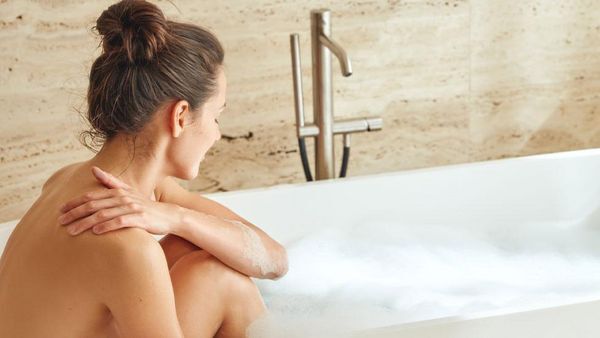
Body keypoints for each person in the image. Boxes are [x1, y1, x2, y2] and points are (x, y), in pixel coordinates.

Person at [0, 0, 288, 337]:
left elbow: (274, 260)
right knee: (223, 281)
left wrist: (175, 217)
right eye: (216, 116)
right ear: (180, 116)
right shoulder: (127, 247)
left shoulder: (68, 180)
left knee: (198, 249)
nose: (217, 133)